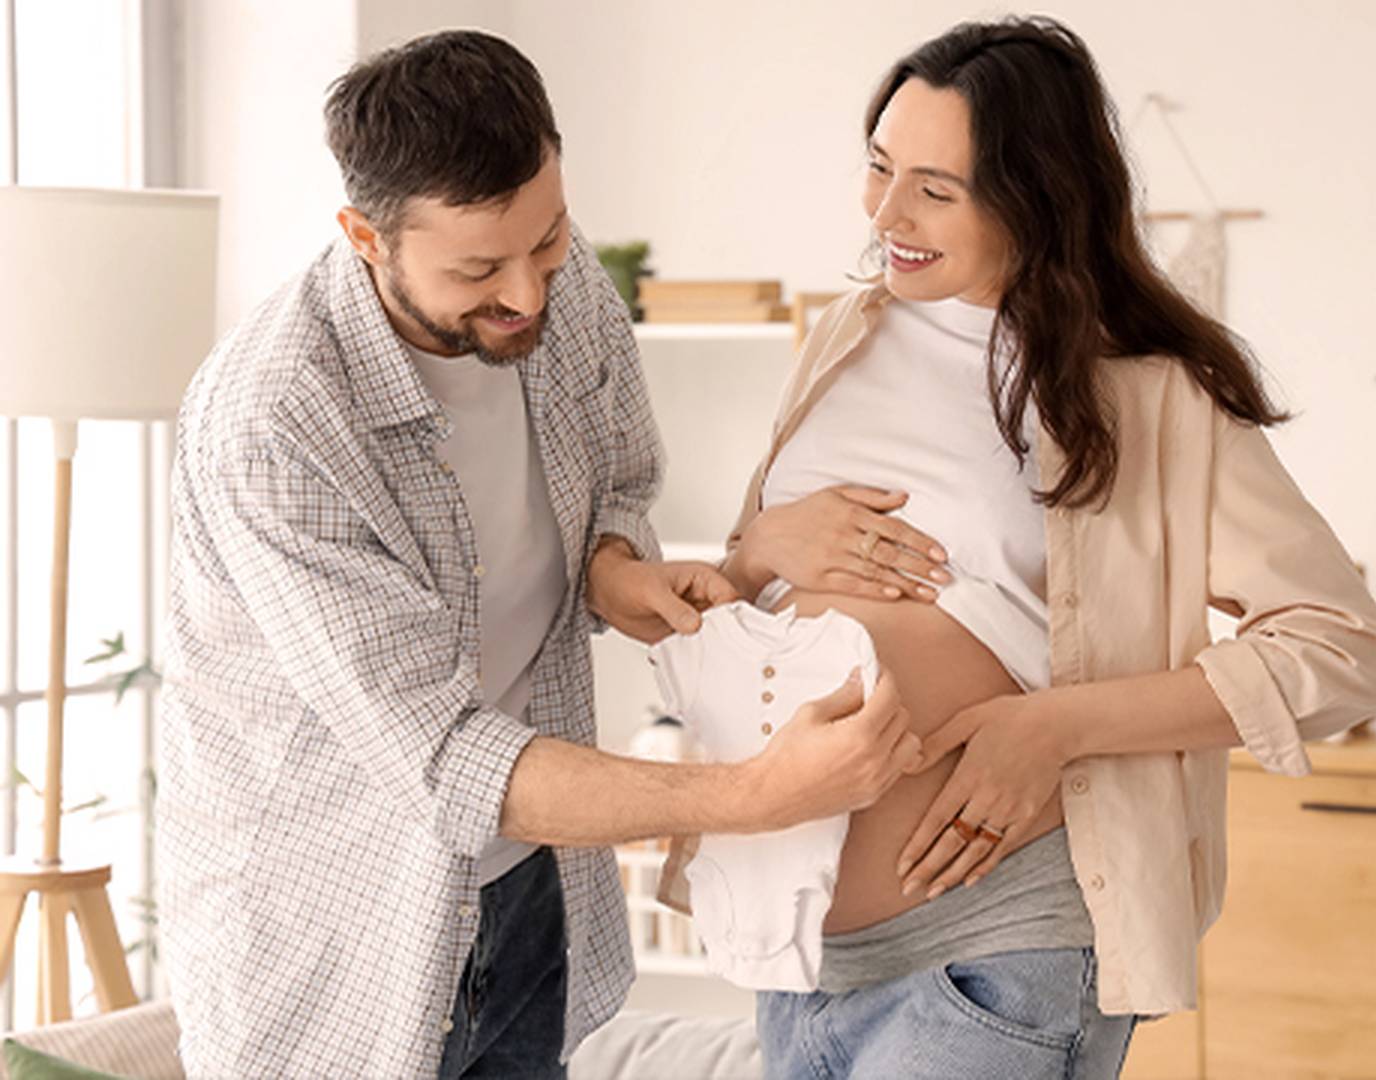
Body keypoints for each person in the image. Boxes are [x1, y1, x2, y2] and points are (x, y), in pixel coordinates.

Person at [156, 30, 920, 1080]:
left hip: (527, 895)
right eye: (479, 268)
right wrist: (756, 794)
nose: (527, 295)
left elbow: (613, 481)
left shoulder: (563, 292)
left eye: (548, 241)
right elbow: (449, 760)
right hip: (334, 940)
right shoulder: (277, 425)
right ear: (364, 236)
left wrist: (616, 567)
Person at [660, 16, 1376, 1080]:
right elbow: (759, 581)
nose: (886, 215)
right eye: (878, 169)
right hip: (796, 954)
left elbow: (1345, 650)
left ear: (1034, 194)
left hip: (996, 953)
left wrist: (1055, 728)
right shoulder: (844, 335)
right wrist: (760, 550)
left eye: (935, 189)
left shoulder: (1148, 393)